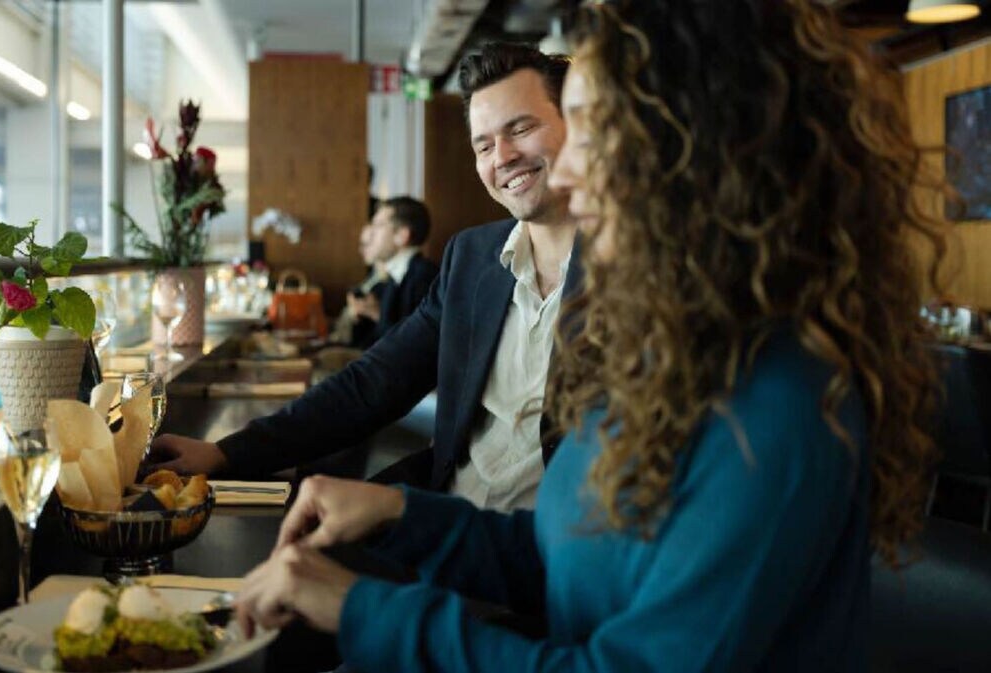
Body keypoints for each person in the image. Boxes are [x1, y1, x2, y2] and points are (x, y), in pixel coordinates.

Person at [230, 1, 945, 670]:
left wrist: (365, 609)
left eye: (591, 130)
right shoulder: (666, 346)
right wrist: (401, 513)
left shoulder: (778, 407)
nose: (567, 170)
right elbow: (569, 557)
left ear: (699, 150)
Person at [149, 43, 577, 510]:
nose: (503, 157)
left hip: (545, 553)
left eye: (521, 128)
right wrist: (225, 453)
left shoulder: (643, 274)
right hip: (444, 512)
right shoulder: (473, 258)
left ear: (579, 127)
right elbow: (375, 382)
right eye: (484, 144)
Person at [345, 196, 438, 348]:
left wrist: (378, 315)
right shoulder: (395, 275)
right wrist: (362, 315)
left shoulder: (424, 276)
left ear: (401, 236)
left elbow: (413, 347)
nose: (370, 233)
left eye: (378, 225)